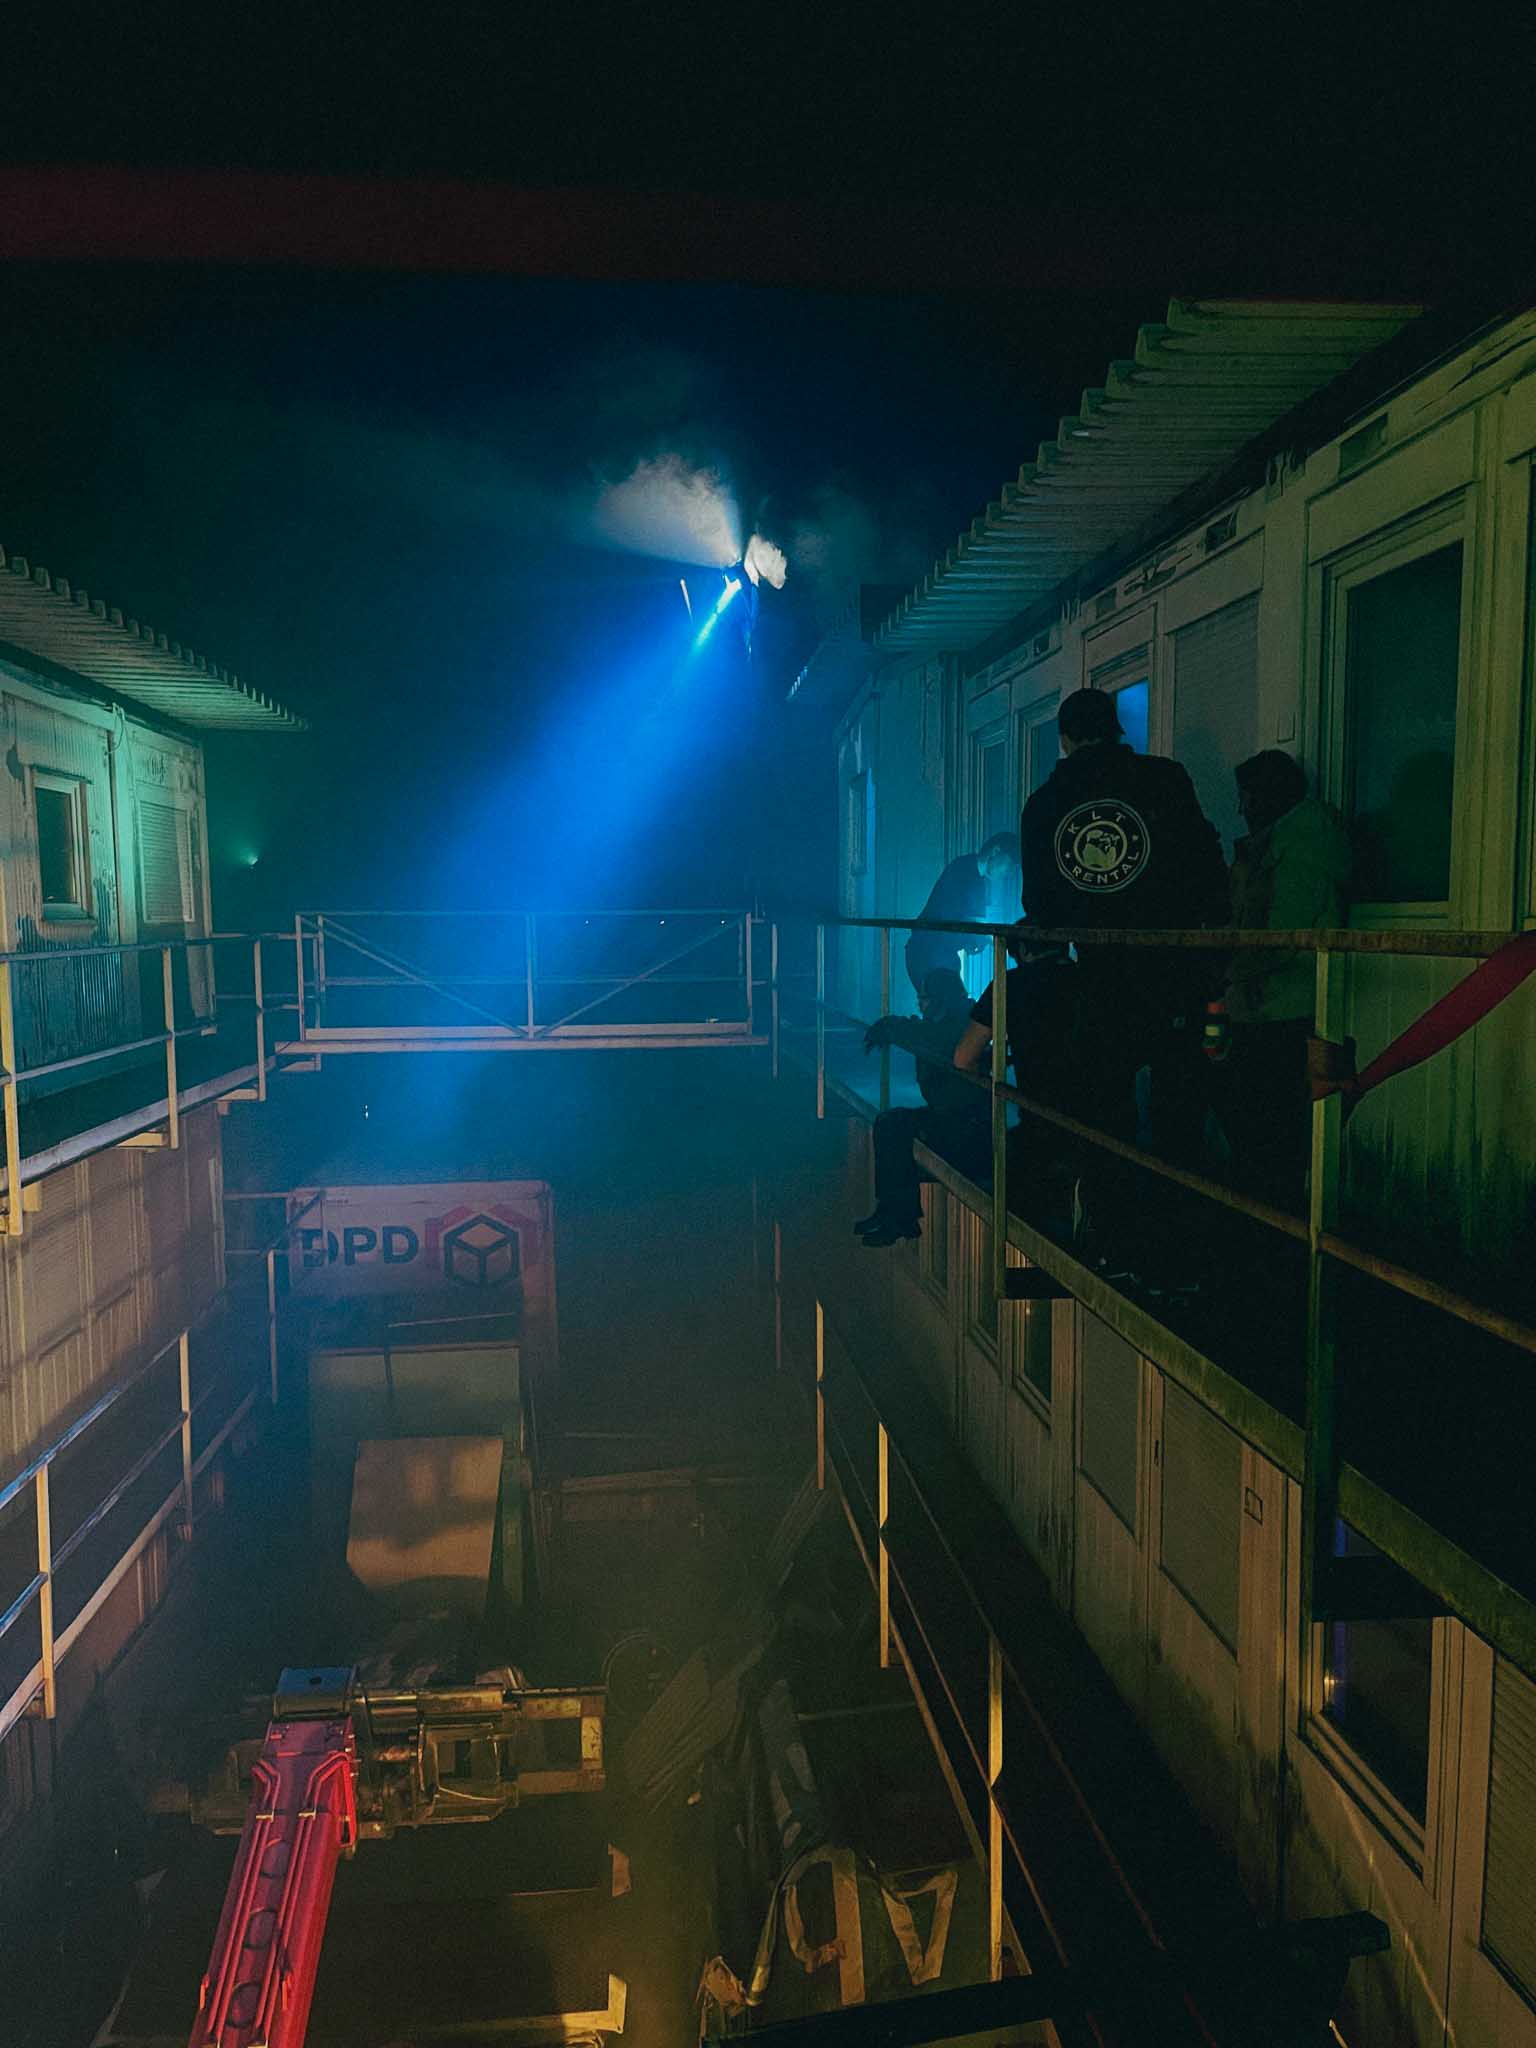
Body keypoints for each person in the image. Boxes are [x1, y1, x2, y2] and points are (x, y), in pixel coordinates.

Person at [1019, 687, 1227, 1273]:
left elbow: (1041, 907)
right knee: (1177, 1110)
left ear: (1064, 738)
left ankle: (1112, 1233)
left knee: (1103, 1107)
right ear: (1116, 728)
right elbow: (1204, 866)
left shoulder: (1046, 802)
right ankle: (1180, 1244)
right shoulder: (1165, 780)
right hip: (1174, 970)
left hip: (1100, 979)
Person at [1217, 750, 1351, 1209]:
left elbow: (1283, 932)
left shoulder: (1302, 844)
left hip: (1281, 1013)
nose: (1241, 808)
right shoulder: (1291, 839)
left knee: (1266, 1133)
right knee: (1260, 1129)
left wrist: (1225, 971)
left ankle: (1271, 1231)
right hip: (1267, 1008)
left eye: (1246, 797)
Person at [854, 969, 987, 1247]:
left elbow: (931, 1038)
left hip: (968, 1126)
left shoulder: (961, 1021)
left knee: (894, 1128)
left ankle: (899, 1217)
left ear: (939, 999)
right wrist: (892, 1026)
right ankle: (891, 1210)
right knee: (889, 1124)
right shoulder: (960, 1016)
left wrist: (891, 1026)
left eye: (924, 999)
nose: (920, 1005)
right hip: (955, 1116)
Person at [904, 834, 1021, 1001]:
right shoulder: (962, 869)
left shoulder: (976, 879)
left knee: (945, 1012)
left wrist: (975, 940)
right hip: (928, 952)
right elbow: (964, 922)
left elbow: (974, 925)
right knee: (945, 1011)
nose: (1008, 873)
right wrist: (986, 938)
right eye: (1009, 864)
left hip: (940, 954)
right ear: (996, 851)